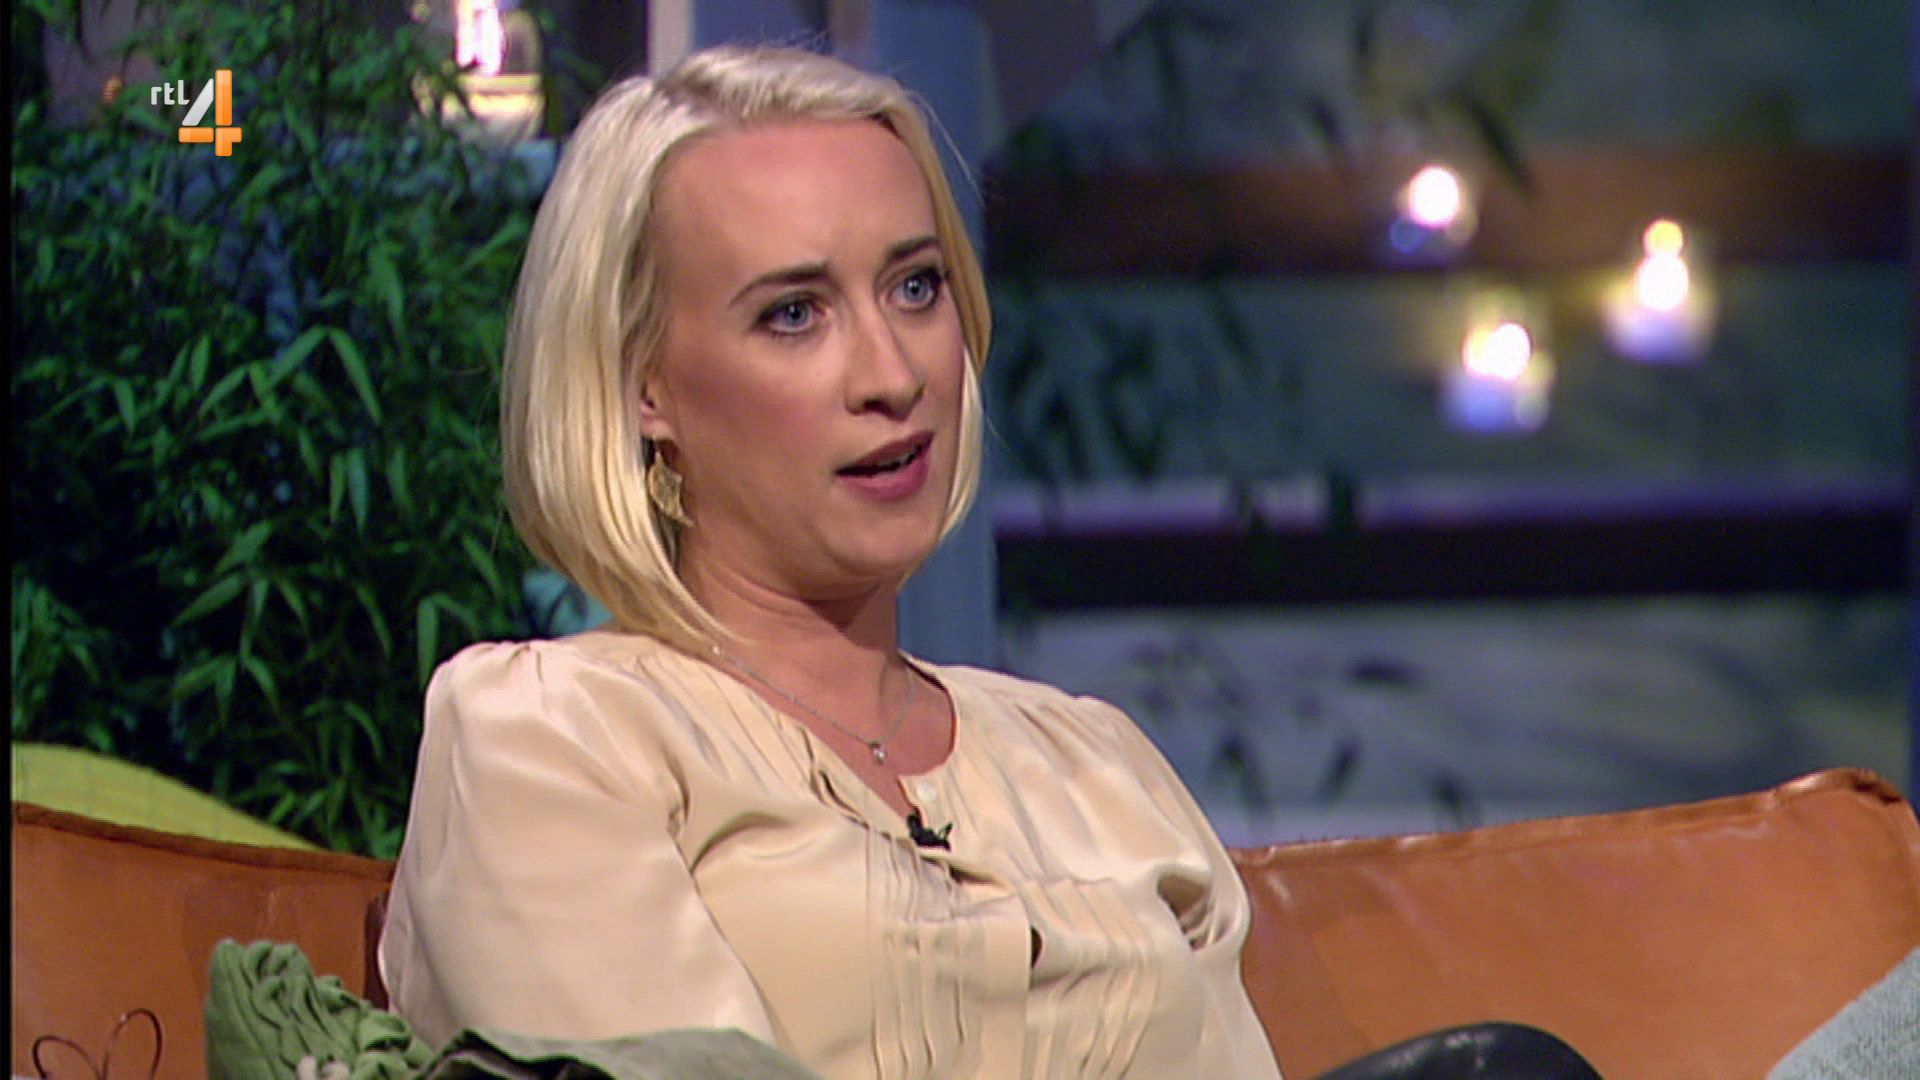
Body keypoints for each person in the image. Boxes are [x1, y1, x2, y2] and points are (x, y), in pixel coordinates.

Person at [377, 43, 1287, 1078]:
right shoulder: (553, 737)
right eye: (794, 314)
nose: (893, 375)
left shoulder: (1097, 765)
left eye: (915, 287)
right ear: (643, 386)